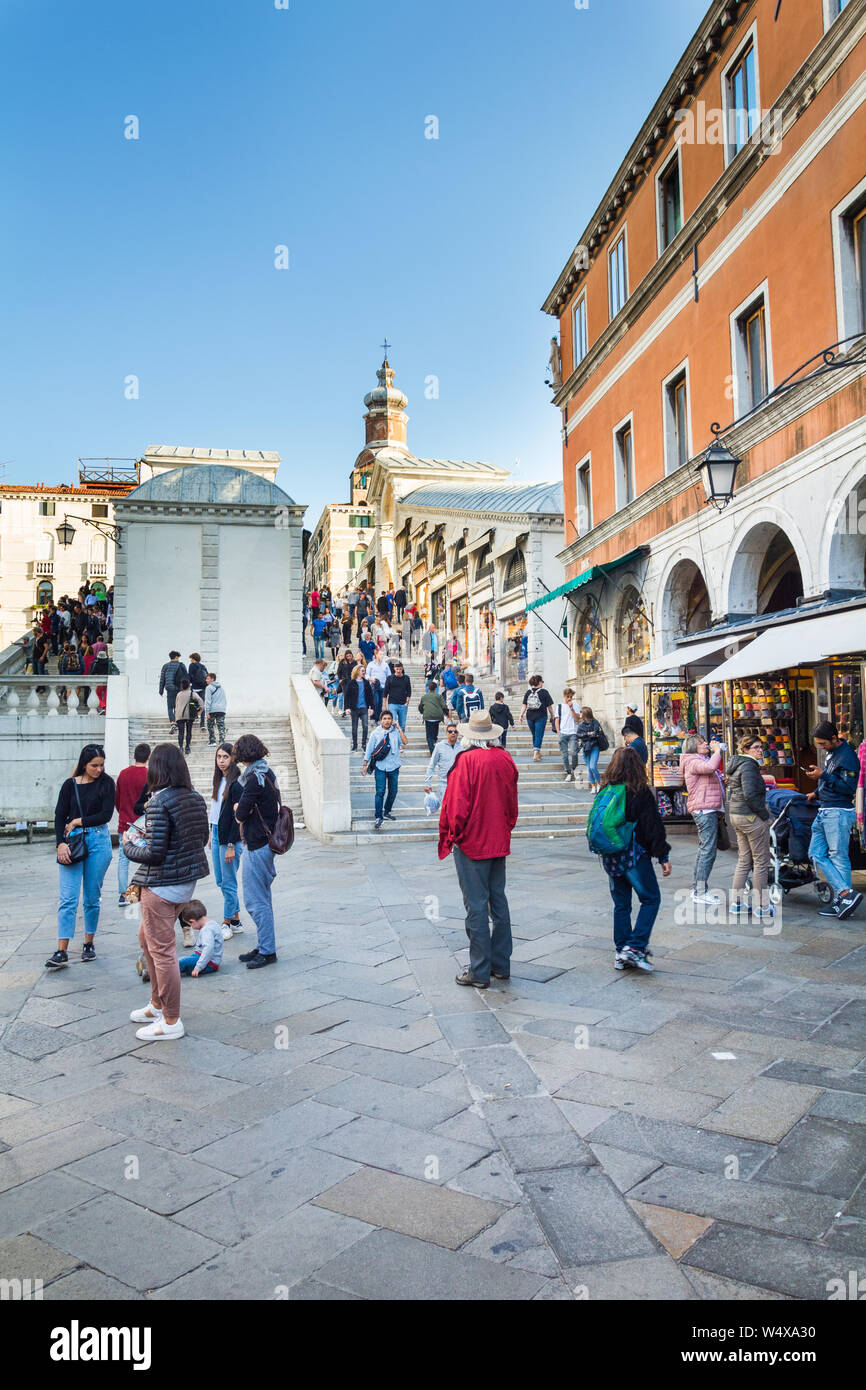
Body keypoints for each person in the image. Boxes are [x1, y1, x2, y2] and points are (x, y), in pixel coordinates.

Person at [122, 743, 209, 1040]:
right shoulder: (195, 797)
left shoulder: (159, 802)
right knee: (145, 938)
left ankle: (171, 1020)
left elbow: (156, 853)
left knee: (162, 952)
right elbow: (200, 837)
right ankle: (157, 1004)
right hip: (185, 883)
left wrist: (129, 846)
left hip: (161, 884)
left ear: (157, 768)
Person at [439, 709, 519, 988]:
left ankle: (480, 971)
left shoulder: (467, 761)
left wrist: (453, 835)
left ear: (469, 736)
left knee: (475, 906)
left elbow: (457, 807)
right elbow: (512, 803)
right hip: (498, 840)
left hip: (472, 842)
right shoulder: (505, 759)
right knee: (499, 902)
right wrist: (505, 827)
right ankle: (501, 964)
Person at [595, 747, 671, 973]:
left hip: (610, 856)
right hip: (633, 855)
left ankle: (621, 952)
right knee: (651, 899)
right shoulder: (639, 791)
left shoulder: (606, 789)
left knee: (621, 904)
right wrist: (663, 855)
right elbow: (652, 827)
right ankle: (635, 947)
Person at [46, 744, 116, 969]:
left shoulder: (107, 783)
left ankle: (88, 942)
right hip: (72, 841)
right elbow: (59, 815)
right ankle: (61, 949)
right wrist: (60, 844)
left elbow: (105, 815)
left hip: (98, 840)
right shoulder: (70, 785)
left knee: (92, 896)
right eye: (94, 765)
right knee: (68, 898)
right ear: (84, 765)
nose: (98, 769)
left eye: (101, 765)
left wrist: (78, 820)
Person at [805, 720, 862, 920]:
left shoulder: (848, 757)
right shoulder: (833, 754)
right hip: (825, 810)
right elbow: (831, 780)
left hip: (838, 811)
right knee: (815, 853)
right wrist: (816, 791)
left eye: (823, 744)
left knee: (838, 856)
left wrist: (824, 776)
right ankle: (846, 895)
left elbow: (847, 788)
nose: (821, 747)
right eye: (818, 744)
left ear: (834, 738)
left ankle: (843, 899)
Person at [234, 734, 282, 969]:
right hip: (266, 843)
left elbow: (240, 814)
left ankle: (267, 951)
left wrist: (237, 807)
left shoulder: (254, 779)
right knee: (262, 898)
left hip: (257, 844)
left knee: (256, 901)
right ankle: (265, 944)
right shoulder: (267, 772)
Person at [726, 735, 773, 921]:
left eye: (761, 747)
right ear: (746, 749)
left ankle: (736, 904)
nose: (760, 750)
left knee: (744, 860)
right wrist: (765, 816)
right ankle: (762, 907)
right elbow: (751, 795)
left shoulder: (737, 765)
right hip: (750, 816)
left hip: (737, 815)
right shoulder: (749, 766)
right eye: (755, 747)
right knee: (761, 861)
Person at [680, 734, 724, 905]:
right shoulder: (693, 761)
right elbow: (709, 768)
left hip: (706, 807)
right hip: (704, 810)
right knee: (708, 851)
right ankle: (700, 891)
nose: (706, 744)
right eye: (701, 743)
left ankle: (697, 888)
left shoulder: (698, 759)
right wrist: (718, 751)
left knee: (704, 849)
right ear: (692, 747)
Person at [209, 744, 244, 938]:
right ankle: (237, 920)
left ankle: (227, 922)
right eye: (219, 757)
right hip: (215, 833)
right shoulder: (219, 780)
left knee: (229, 882)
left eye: (225, 757)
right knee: (221, 881)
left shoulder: (237, 783)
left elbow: (237, 818)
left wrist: (231, 844)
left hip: (229, 838)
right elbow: (215, 812)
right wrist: (210, 834)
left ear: (233, 759)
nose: (221, 760)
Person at [115, 743, 150, 905]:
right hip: (142, 826)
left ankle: (124, 895)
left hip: (124, 823)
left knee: (123, 860)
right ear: (148, 757)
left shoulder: (123, 774)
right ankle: (141, 891)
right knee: (145, 859)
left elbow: (117, 799)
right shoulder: (150, 775)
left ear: (134, 756)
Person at [363, 708, 408, 830]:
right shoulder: (375, 733)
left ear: (392, 720)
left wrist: (399, 728)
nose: (387, 721)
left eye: (389, 719)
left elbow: (405, 742)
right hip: (380, 767)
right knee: (380, 792)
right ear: (381, 720)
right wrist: (364, 765)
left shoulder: (395, 732)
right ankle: (378, 816)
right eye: (385, 719)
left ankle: (387, 811)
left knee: (393, 791)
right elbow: (369, 749)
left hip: (394, 766)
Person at [177, 901, 224, 976]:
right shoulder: (213, 924)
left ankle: (160, 974)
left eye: (190, 925)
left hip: (209, 963)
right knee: (184, 960)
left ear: (192, 921)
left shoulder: (206, 930)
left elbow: (208, 949)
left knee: (181, 962)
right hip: (208, 960)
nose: (192, 927)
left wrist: (198, 967)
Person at [424, 722, 460, 815]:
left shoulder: (462, 747)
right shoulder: (439, 746)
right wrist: (427, 783)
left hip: (458, 784)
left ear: (458, 734)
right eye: (450, 731)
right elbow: (431, 765)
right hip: (443, 784)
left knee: (457, 809)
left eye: (455, 731)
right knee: (446, 809)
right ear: (446, 733)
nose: (453, 733)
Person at [521, 675, 555, 763]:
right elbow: (550, 706)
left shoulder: (528, 692)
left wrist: (521, 715)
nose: (542, 683)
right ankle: (535, 754)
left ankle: (538, 752)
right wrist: (552, 715)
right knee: (539, 735)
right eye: (542, 682)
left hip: (529, 716)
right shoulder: (544, 692)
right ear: (539, 682)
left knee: (535, 735)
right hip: (541, 716)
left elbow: (524, 705)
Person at [345, 664, 374, 751]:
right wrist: (347, 708)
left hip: (364, 708)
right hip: (354, 708)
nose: (364, 672)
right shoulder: (351, 683)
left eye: (364, 671)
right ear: (357, 671)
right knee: (354, 728)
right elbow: (347, 696)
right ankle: (354, 745)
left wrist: (372, 707)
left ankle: (364, 745)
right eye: (362, 671)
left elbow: (370, 696)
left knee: (365, 726)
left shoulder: (366, 683)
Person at [554, 687, 581, 781]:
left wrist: (572, 708)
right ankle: (568, 773)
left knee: (574, 753)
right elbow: (557, 719)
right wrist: (558, 731)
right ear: (564, 696)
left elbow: (577, 719)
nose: (569, 698)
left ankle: (575, 771)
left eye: (571, 697)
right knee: (564, 755)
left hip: (573, 732)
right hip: (563, 733)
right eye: (567, 696)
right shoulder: (560, 706)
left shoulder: (576, 705)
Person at [576, 705, 604, 792]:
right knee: (589, 768)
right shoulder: (581, 725)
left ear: (585, 714)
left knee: (592, 767)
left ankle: (599, 783)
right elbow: (578, 735)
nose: (579, 713)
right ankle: (593, 786)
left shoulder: (595, 722)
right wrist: (588, 734)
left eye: (581, 712)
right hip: (586, 748)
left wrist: (587, 735)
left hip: (594, 747)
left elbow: (596, 733)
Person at [158, 651, 188, 725]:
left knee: (170, 707)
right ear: (176, 657)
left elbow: (162, 679)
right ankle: (177, 722)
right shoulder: (181, 665)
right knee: (177, 707)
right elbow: (186, 678)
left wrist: (161, 690)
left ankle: (172, 722)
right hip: (179, 689)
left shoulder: (165, 666)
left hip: (170, 689)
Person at [418, 680, 449, 754]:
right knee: (435, 732)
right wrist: (446, 713)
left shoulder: (424, 697)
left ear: (428, 688)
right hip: (437, 716)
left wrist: (422, 712)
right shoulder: (439, 696)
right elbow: (444, 706)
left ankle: (433, 751)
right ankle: (434, 743)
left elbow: (420, 707)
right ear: (436, 688)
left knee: (429, 735)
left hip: (428, 716)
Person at [174, 679, 203, 754]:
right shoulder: (192, 693)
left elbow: (176, 706)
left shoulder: (179, 694)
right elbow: (200, 701)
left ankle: (180, 747)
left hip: (179, 716)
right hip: (189, 715)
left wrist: (175, 716)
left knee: (181, 732)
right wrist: (200, 711)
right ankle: (187, 747)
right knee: (189, 731)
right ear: (189, 685)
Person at [383, 661, 411, 732]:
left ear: (402, 669)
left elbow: (409, 691)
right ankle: (393, 741)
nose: (398, 671)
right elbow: (385, 692)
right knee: (393, 723)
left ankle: (401, 741)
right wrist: (384, 705)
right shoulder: (390, 678)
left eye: (400, 669)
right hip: (392, 703)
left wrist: (407, 702)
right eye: (397, 669)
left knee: (402, 725)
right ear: (394, 668)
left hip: (403, 704)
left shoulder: (406, 678)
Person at [365, 649, 391, 724]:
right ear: (376, 655)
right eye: (380, 654)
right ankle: (373, 718)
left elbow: (389, 676)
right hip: (374, 686)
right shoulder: (371, 664)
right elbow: (366, 675)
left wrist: (388, 685)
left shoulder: (385, 665)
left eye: (383, 654)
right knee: (374, 702)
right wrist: (370, 679)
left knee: (381, 703)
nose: (381, 656)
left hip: (383, 687)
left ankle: (379, 719)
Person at [204, 672, 227, 745]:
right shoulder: (221, 688)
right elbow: (224, 699)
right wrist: (223, 709)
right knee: (221, 726)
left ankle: (212, 741)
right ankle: (222, 741)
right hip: (221, 710)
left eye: (208, 678)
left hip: (212, 710)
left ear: (212, 679)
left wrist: (207, 712)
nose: (206, 680)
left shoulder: (209, 688)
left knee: (210, 725)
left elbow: (208, 701)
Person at [188, 653, 208, 729]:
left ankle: (195, 716)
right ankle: (202, 724)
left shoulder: (191, 665)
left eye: (191, 658)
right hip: (203, 688)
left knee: (192, 703)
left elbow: (189, 676)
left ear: (193, 659)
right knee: (202, 705)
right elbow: (207, 676)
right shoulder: (203, 666)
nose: (190, 660)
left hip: (195, 688)